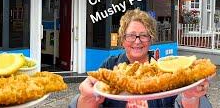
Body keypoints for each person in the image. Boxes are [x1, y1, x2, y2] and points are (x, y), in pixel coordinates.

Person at [70, 8, 212, 108]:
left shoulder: (167, 68)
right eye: (131, 35)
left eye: (143, 35)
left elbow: (186, 103)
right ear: (122, 39)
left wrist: (191, 96)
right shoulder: (110, 66)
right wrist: (86, 98)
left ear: (151, 39)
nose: (137, 41)